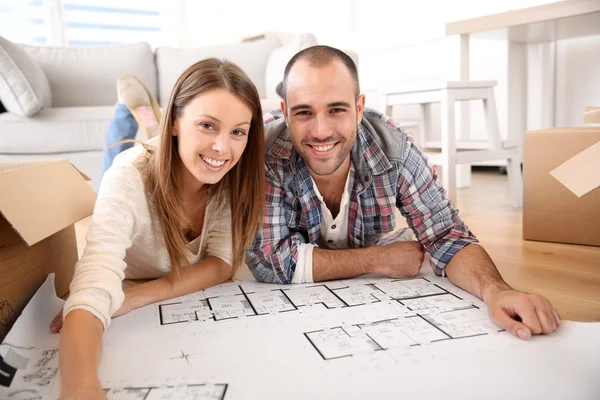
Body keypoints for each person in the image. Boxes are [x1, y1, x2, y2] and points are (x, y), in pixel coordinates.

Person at [246, 45, 560, 341]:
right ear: (285, 112)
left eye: (336, 110)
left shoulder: (394, 150)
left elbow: (447, 236)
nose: (321, 131)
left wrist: (497, 291)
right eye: (303, 113)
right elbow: (272, 263)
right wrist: (377, 258)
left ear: (359, 108)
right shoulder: (264, 153)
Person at [51, 58, 265, 399]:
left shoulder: (229, 178)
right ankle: (133, 112)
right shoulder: (127, 179)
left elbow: (221, 264)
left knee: (181, 154)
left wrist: (133, 295)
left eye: (238, 131)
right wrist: (80, 388)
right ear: (177, 121)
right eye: (208, 125)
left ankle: (148, 118)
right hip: (141, 168)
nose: (224, 148)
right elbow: (93, 286)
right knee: (118, 157)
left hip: (172, 155)